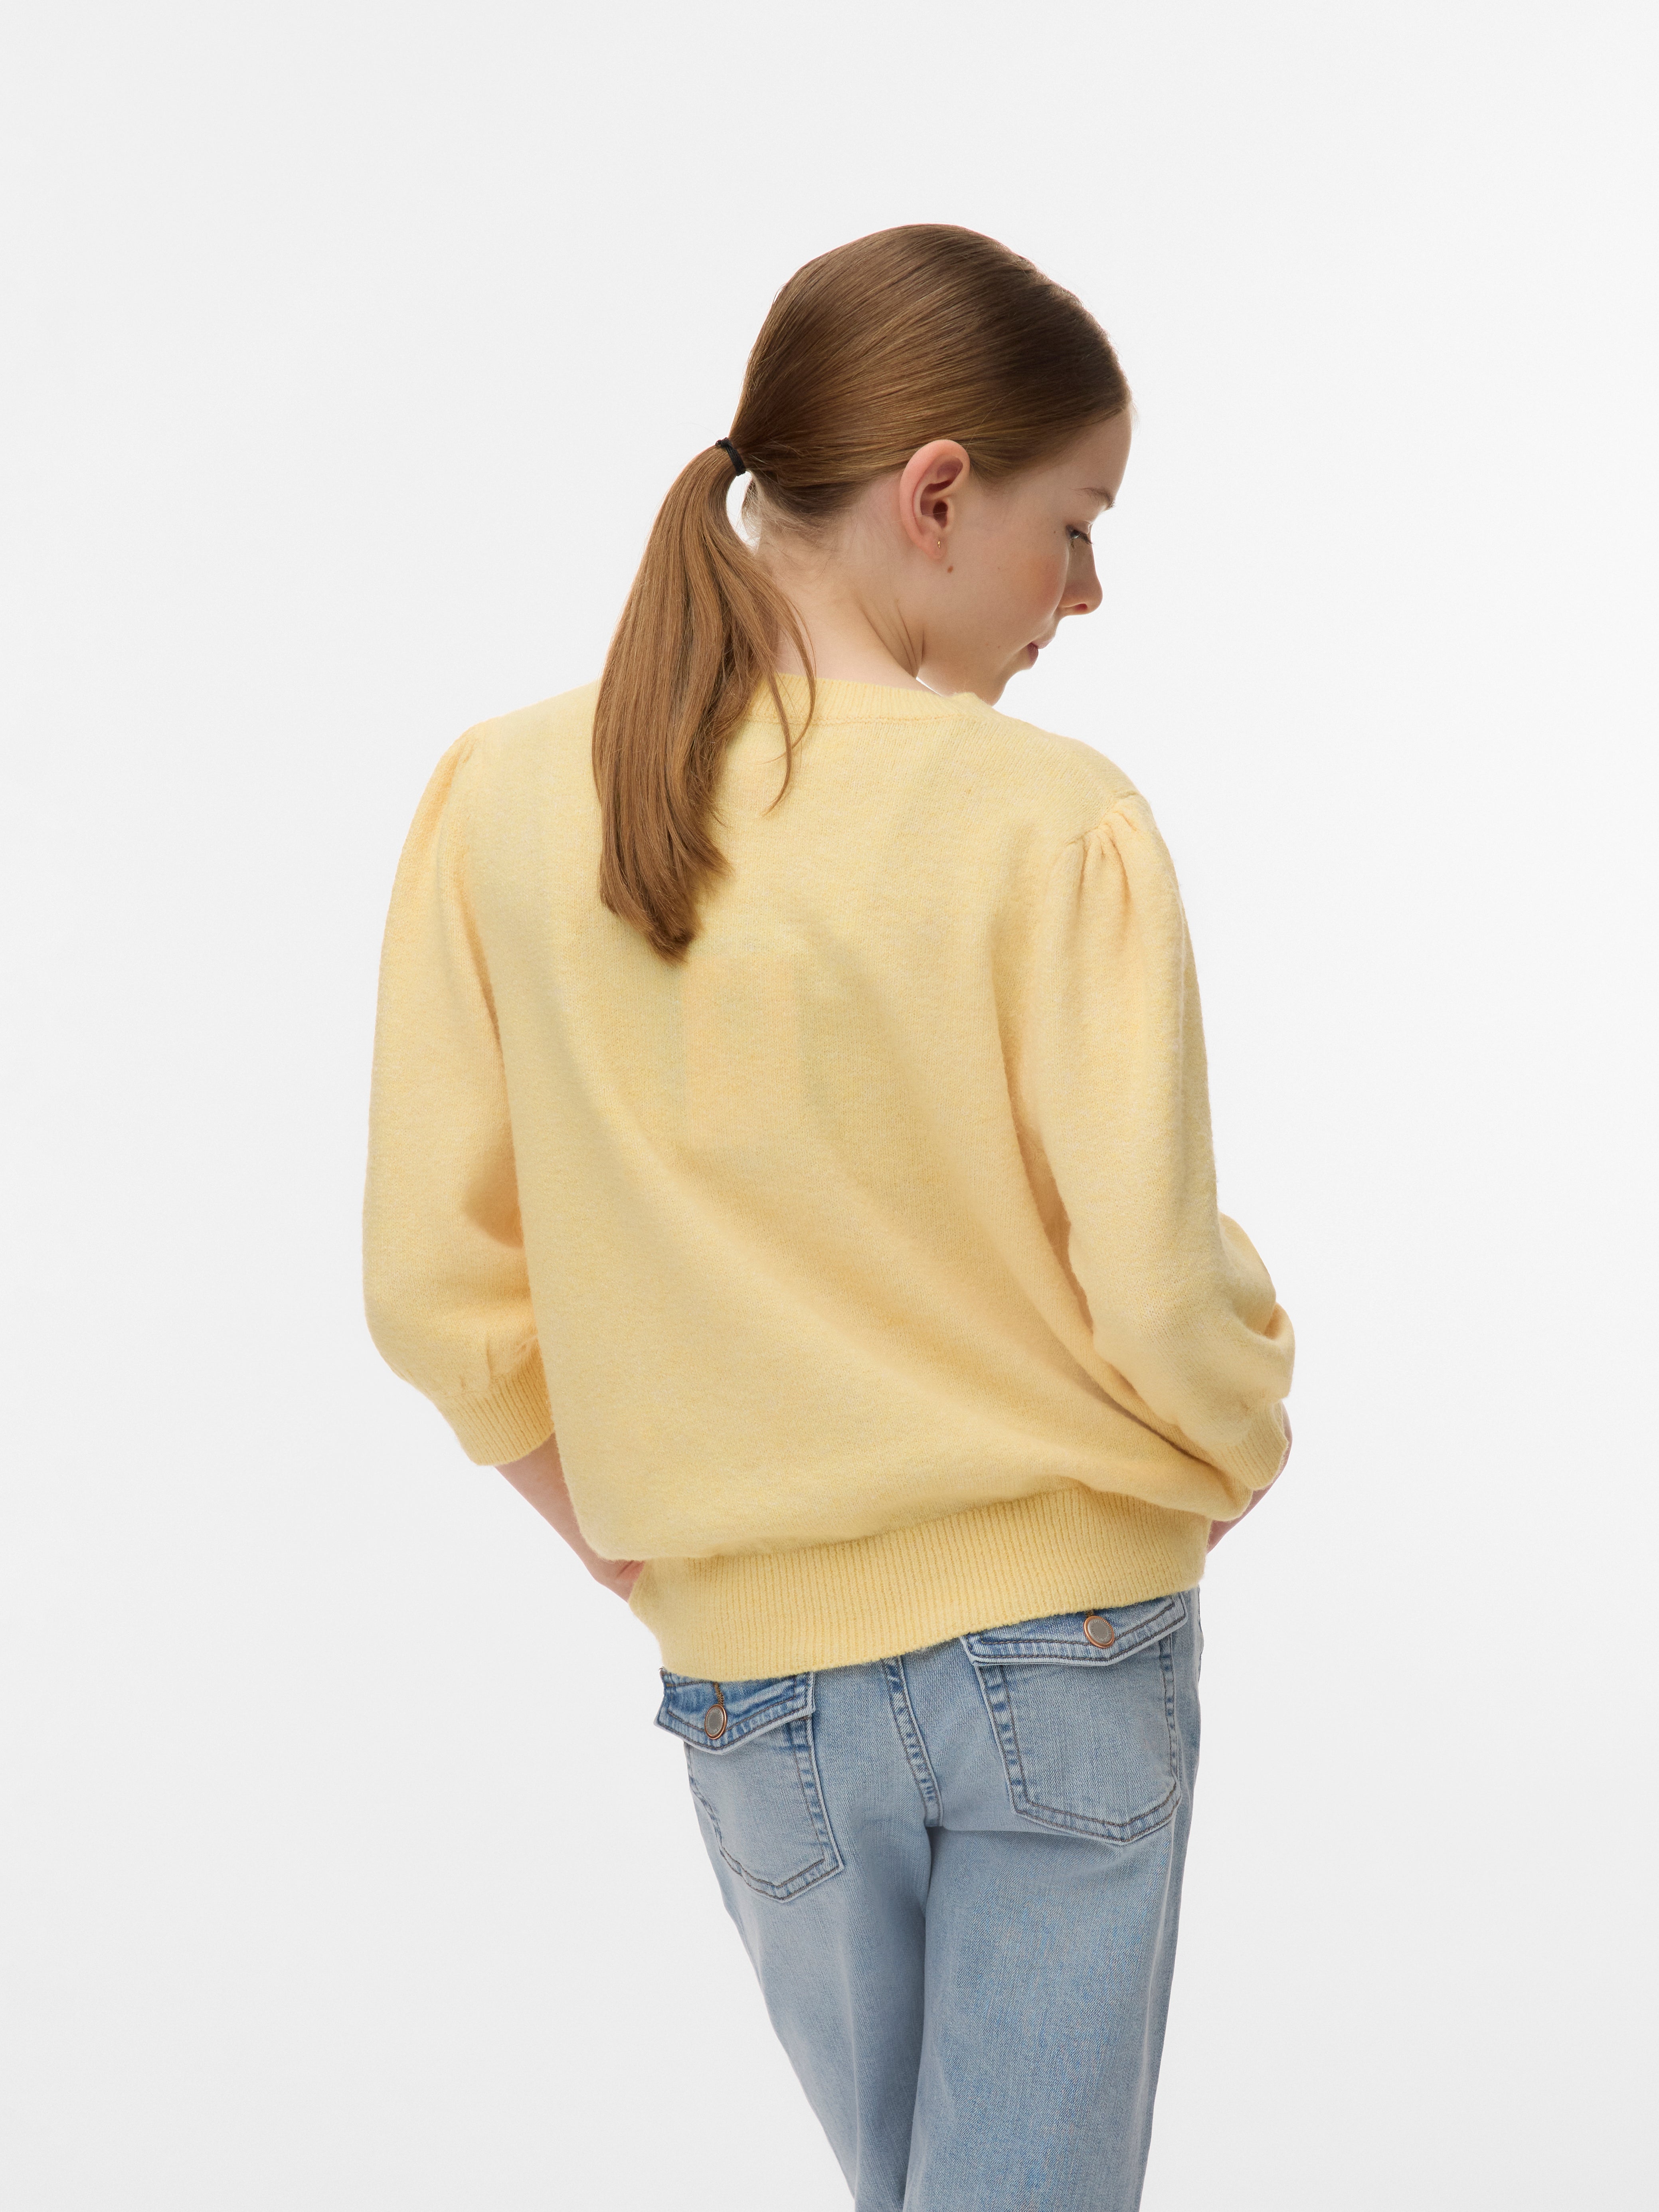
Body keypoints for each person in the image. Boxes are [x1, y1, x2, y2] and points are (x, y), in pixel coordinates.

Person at [363, 223, 1294, 2212]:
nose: (1086, 592)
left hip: (753, 1679)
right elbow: (1151, 1281)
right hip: (1064, 1630)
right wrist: (1238, 1444)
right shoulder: (1047, 818)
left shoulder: (501, 799)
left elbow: (434, 1287)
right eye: (1073, 528)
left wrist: (626, 1534)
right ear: (935, 495)